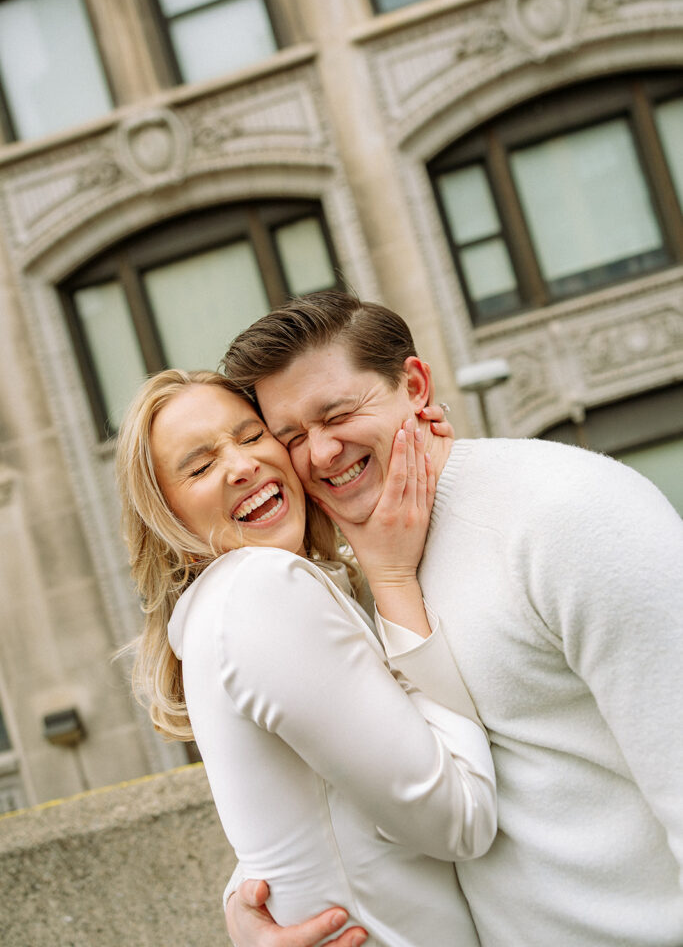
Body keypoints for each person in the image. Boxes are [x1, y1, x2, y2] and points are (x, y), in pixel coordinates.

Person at [220, 290, 683, 947]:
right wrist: (253, 902)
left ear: (413, 385)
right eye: (291, 436)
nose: (321, 454)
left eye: (339, 413)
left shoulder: (570, 516)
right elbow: (349, 776)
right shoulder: (343, 579)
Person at [115, 368, 497, 947]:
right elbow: (461, 821)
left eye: (250, 436)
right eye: (199, 466)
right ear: (168, 518)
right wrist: (391, 578)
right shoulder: (262, 590)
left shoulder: (248, 597)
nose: (241, 466)